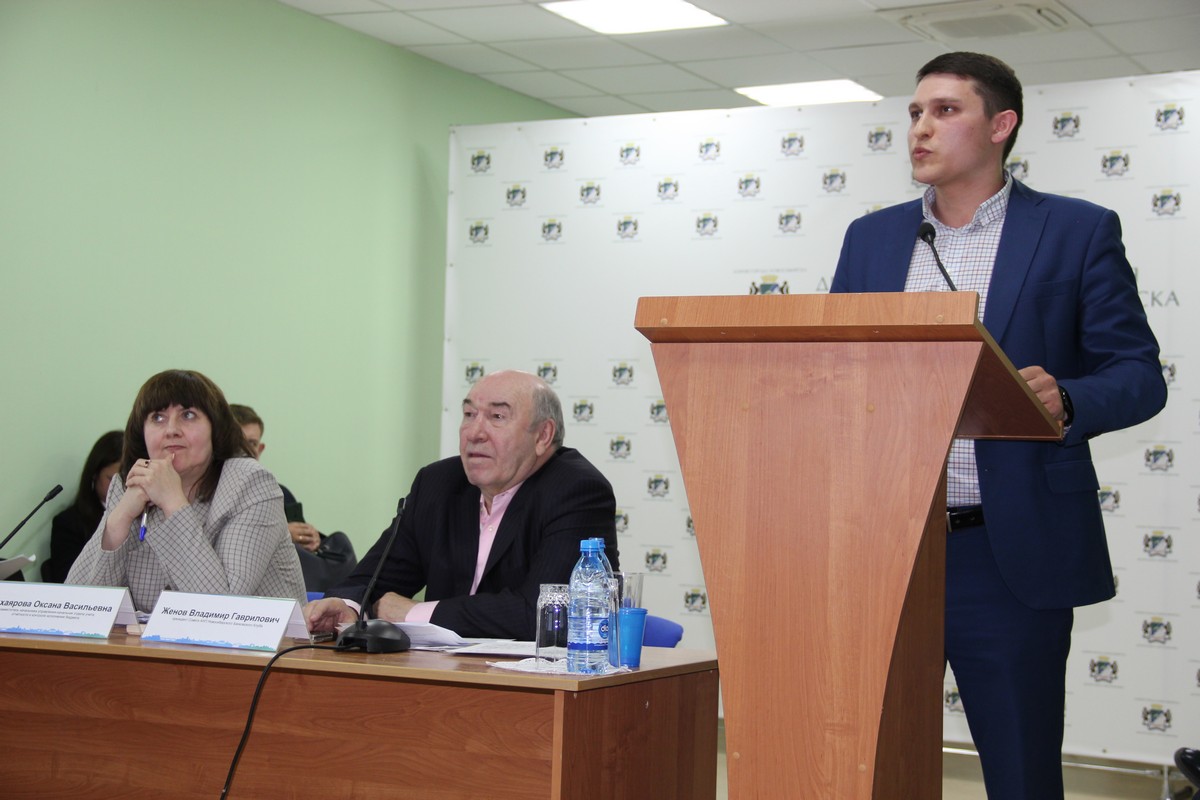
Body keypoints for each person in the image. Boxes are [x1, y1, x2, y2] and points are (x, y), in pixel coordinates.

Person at [831, 52, 1167, 799]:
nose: (920, 128)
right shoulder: (871, 239)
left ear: (1001, 125)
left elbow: (1138, 376)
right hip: (883, 548)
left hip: (1005, 552)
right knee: (865, 770)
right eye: (915, 113)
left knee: (1020, 775)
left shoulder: (1076, 231)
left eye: (945, 111)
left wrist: (1067, 398)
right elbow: (836, 372)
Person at [306, 370, 617, 640]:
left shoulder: (577, 491)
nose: (474, 432)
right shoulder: (438, 484)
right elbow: (372, 579)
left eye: (497, 417)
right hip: (441, 675)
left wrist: (414, 613)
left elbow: (544, 614)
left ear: (542, 436)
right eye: (469, 414)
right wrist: (347, 606)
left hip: (535, 682)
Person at [67, 370, 306, 612]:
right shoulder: (130, 483)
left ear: (215, 427)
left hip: (259, 636)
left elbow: (222, 610)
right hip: (156, 637)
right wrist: (120, 518)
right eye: (158, 417)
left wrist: (173, 502)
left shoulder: (249, 482)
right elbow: (74, 607)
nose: (171, 430)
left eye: (188, 415)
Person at [230, 403, 357, 593]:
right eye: (238, 442)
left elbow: (304, 556)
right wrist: (280, 535)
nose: (245, 450)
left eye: (252, 443)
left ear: (260, 449)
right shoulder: (205, 493)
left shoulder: (279, 493)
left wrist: (312, 539)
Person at [42, 431, 123, 583]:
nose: (121, 487)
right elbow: (67, 582)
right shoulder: (68, 523)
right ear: (94, 475)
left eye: (127, 479)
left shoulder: (147, 517)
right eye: (112, 479)